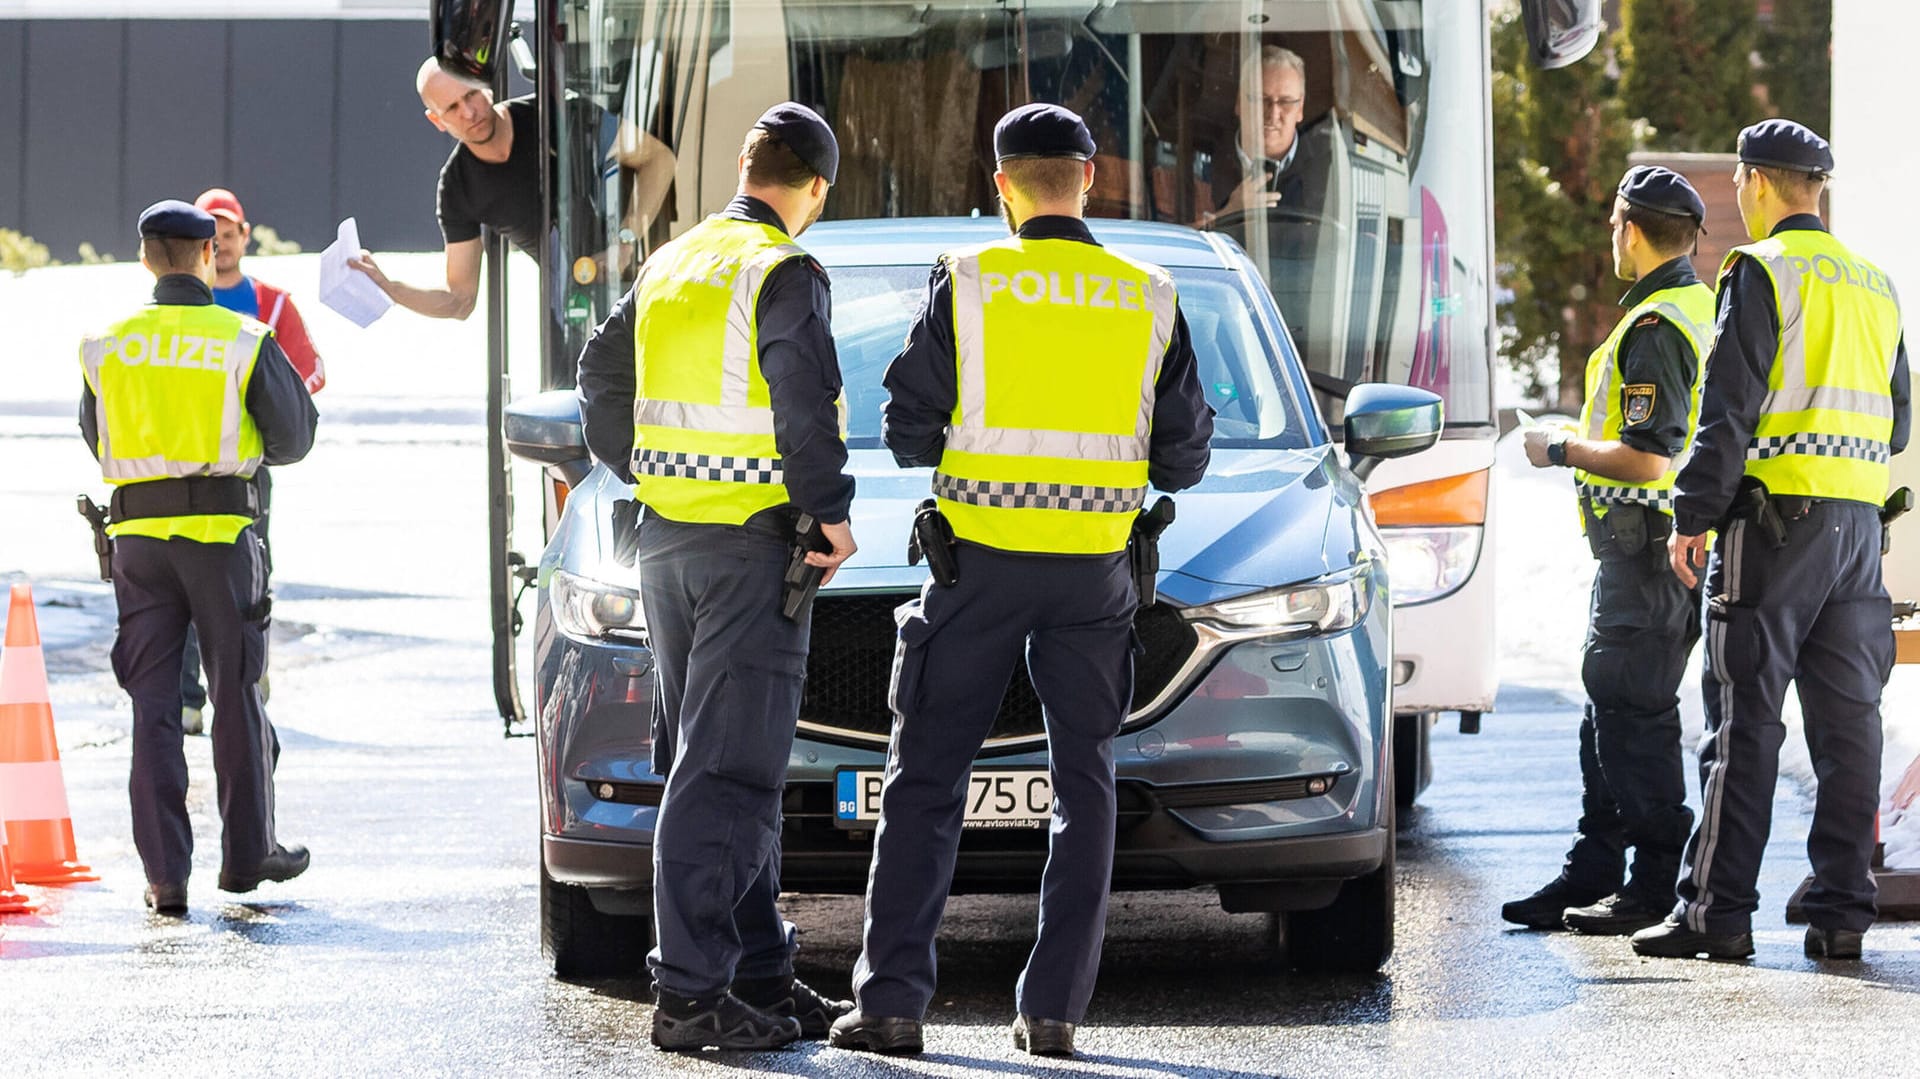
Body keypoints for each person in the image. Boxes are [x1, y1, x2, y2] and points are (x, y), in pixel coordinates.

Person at [830, 104, 1213, 1059]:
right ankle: (1054, 1013)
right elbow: (1184, 457)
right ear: (1089, 178)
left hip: (978, 570)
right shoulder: (1149, 294)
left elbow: (910, 427)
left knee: (924, 780)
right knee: (1085, 784)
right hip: (1095, 577)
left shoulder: (967, 282)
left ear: (1000, 185)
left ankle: (891, 1007)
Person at [574, 102, 857, 1051]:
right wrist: (830, 511)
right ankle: (692, 999)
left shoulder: (673, 259)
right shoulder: (782, 268)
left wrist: (643, 464)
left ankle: (763, 978)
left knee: (723, 763)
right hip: (749, 548)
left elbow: (598, 374)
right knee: (731, 772)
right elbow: (803, 397)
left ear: (747, 167)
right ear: (814, 188)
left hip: (667, 543)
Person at [1632, 120, 1912, 962]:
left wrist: (1692, 514)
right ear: (1814, 189)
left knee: (1744, 724)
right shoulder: (1875, 282)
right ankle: (1840, 913)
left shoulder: (1760, 270)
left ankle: (1715, 913)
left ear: (1755, 183)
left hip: (1774, 530)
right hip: (1859, 535)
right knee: (1849, 727)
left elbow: (1728, 411)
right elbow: (1895, 420)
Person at [77, 200, 318, 915]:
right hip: (220, 536)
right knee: (235, 692)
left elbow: (98, 437)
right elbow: (294, 438)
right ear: (209, 256)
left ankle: (165, 875)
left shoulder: (106, 344)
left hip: (138, 543)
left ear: (146, 258)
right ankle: (247, 856)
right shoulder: (243, 337)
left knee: (153, 705)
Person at [1505, 166, 1713, 935]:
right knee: (1608, 711)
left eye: (1613, 222)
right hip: (1646, 554)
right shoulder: (1697, 305)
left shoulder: (1658, 325)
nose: (1609, 236)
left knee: (1633, 713)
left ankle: (1653, 882)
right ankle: (1595, 866)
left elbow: (1648, 457)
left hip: (1651, 556)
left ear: (1630, 228)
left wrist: (1557, 446)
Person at [164, 186, 324, 737]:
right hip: (176, 463)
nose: (222, 244)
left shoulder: (272, 305)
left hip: (244, 471)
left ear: (242, 236)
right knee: (184, 581)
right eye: (212, 235)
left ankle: (244, 682)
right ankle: (191, 700)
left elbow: (308, 374)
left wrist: (269, 415)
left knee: (245, 575)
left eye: (229, 232)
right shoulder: (172, 308)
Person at [348, 58, 674, 322]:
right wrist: (389, 288)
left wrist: (627, 241)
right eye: (452, 108)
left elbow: (658, 159)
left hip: (655, 282)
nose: (469, 112)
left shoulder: (559, 113)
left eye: (471, 94)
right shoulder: (457, 189)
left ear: (486, 86)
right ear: (437, 120)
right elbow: (460, 301)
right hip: (576, 320)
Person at [1202, 45, 1333, 226]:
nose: (1272, 114)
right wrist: (1229, 212)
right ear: (1239, 102)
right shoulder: (1202, 158)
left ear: (1300, 108)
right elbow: (1168, 239)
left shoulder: (1328, 168)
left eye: (1286, 102)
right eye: (1261, 100)